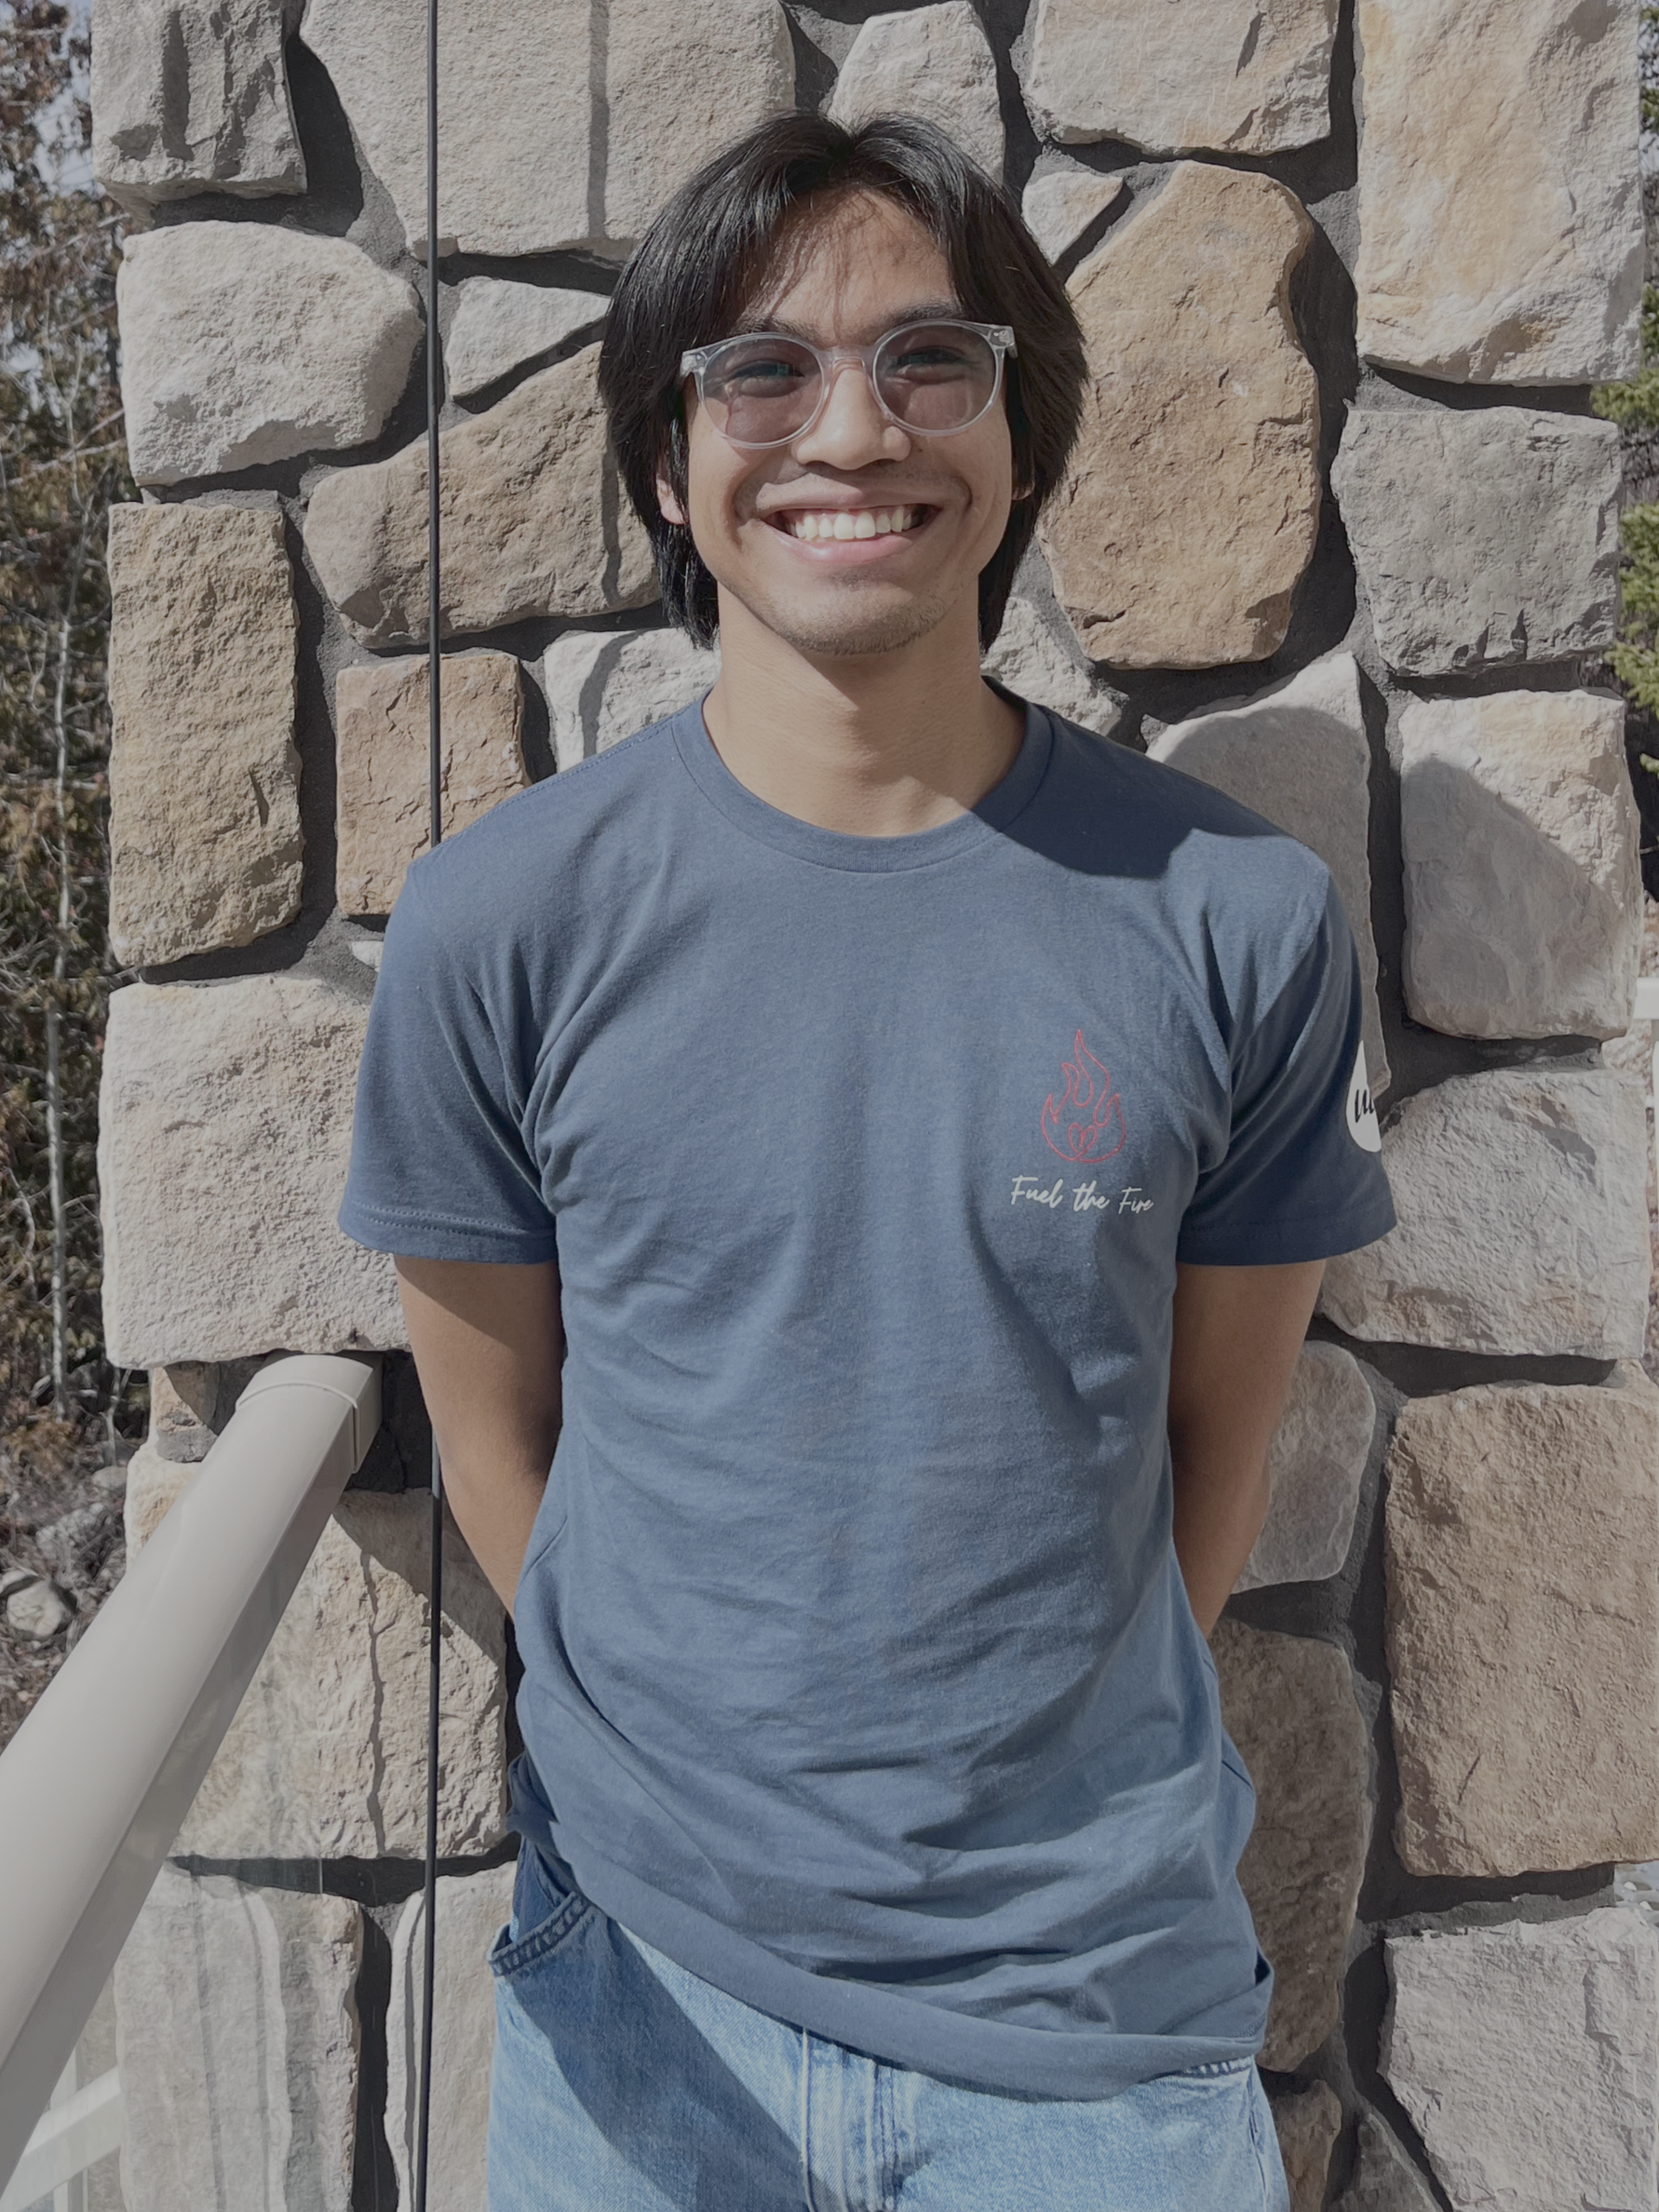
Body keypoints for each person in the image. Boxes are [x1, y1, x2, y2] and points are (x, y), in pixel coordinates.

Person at [340, 113, 1393, 2212]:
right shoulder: (499, 925)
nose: (851, 430)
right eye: (761, 371)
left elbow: (1215, 1443)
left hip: (1094, 2036)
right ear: (669, 465)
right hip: (640, 1998)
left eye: (931, 359)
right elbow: (498, 1438)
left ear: (1016, 435)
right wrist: (704, 1789)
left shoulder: (1236, 919)